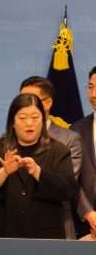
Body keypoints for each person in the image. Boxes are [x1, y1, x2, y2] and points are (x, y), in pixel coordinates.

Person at [0, 93, 78, 239]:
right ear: (13, 122)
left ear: (43, 120)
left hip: (46, 236)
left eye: (35, 118)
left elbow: (68, 189)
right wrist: (3, 172)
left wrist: (38, 172)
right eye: (23, 118)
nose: (29, 123)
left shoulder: (58, 150)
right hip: (5, 234)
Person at [19, 76, 83, 239]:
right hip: (18, 226)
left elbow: (65, 185)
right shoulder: (8, 140)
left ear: (47, 103)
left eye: (31, 100)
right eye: (21, 100)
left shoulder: (69, 139)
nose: (24, 105)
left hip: (57, 225)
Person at [70, 66, 96, 239]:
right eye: (91, 87)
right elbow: (70, 179)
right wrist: (89, 215)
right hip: (85, 226)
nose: (93, 95)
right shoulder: (76, 129)